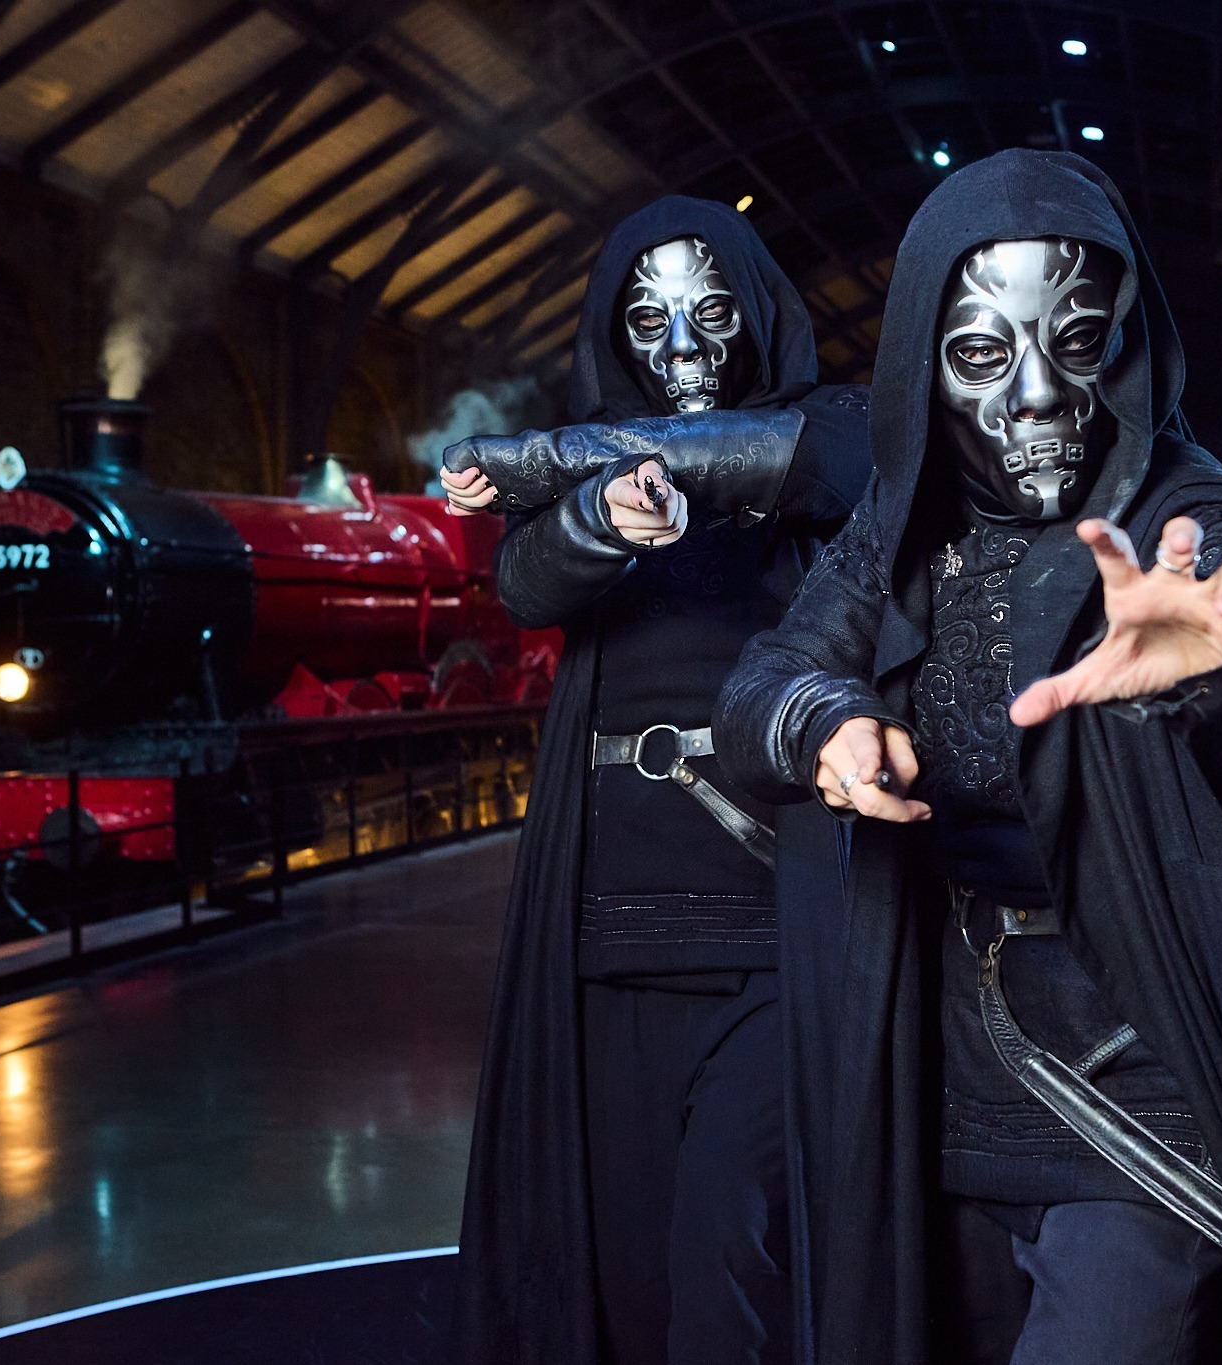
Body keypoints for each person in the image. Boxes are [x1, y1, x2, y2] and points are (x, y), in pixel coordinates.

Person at [713, 149, 1222, 1365]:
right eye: (984, 354)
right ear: (921, 370)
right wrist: (822, 724)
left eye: (1079, 340)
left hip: (1146, 1089)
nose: (1041, 395)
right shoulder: (891, 537)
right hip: (934, 1078)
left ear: (1125, 344)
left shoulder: (1189, 519)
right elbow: (764, 678)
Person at [445, 195, 872, 1365]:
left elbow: (785, 462)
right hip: (615, 923)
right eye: (648, 318)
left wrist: (546, 466)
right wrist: (601, 515)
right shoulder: (595, 473)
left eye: (708, 310)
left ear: (754, 315)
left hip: (773, 915)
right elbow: (529, 580)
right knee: (623, 1259)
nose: (680, 346)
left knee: (725, 1250)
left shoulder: (834, 432)